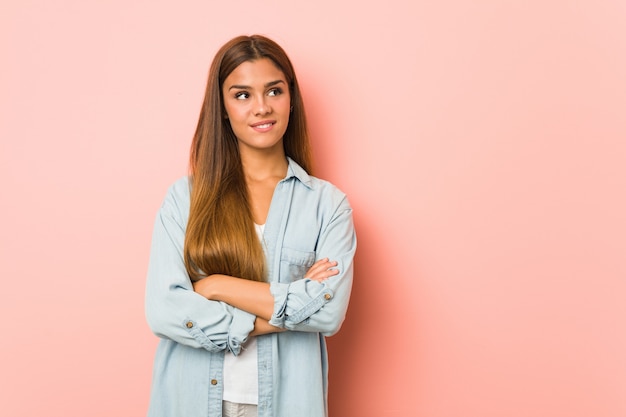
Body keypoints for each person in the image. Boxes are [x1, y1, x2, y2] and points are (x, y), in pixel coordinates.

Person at [144, 35, 356, 417]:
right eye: (242, 95)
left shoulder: (327, 205)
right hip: (191, 399)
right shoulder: (185, 199)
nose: (261, 108)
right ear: (223, 107)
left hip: (289, 403)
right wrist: (287, 309)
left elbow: (328, 312)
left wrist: (214, 286)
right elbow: (164, 310)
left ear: (291, 97)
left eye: (273, 91)